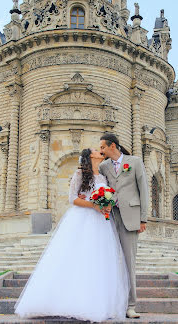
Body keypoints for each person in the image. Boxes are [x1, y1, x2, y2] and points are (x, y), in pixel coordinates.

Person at [14, 148, 130, 322]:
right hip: (83, 219)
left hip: (102, 223)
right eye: (98, 150)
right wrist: (94, 206)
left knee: (98, 260)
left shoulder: (104, 175)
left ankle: (95, 302)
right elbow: (72, 198)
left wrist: (107, 205)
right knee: (77, 257)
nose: (101, 151)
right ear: (90, 156)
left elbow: (110, 196)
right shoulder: (80, 173)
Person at [99, 133, 149, 319]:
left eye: (103, 147)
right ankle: (111, 302)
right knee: (110, 262)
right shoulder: (103, 167)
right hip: (110, 218)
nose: (101, 150)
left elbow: (143, 190)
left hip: (131, 218)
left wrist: (143, 219)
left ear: (113, 146)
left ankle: (131, 305)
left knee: (129, 263)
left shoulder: (134, 162)